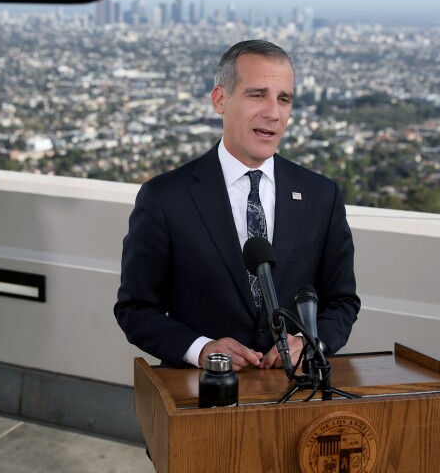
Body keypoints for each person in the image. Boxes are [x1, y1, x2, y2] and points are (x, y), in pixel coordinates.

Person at [115, 40, 360, 372]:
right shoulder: (165, 198)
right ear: (220, 100)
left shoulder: (321, 196)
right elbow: (136, 309)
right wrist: (202, 350)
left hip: (293, 393)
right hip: (202, 395)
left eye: (284, 99)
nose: (273, 112)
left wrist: (310, 342)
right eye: (257, 95)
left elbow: (342, 301)